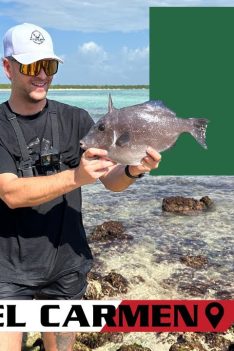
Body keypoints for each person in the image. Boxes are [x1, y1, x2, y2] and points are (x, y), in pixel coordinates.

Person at [0, 23, 161, 351]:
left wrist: (132, 169)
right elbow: (10, 193)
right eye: (32, 66)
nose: (42, 74)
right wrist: (76, 177)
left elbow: (111, 181)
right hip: (9, 269)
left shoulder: (76, 119)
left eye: (50, 66)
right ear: (8, 67)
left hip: (66, 263)